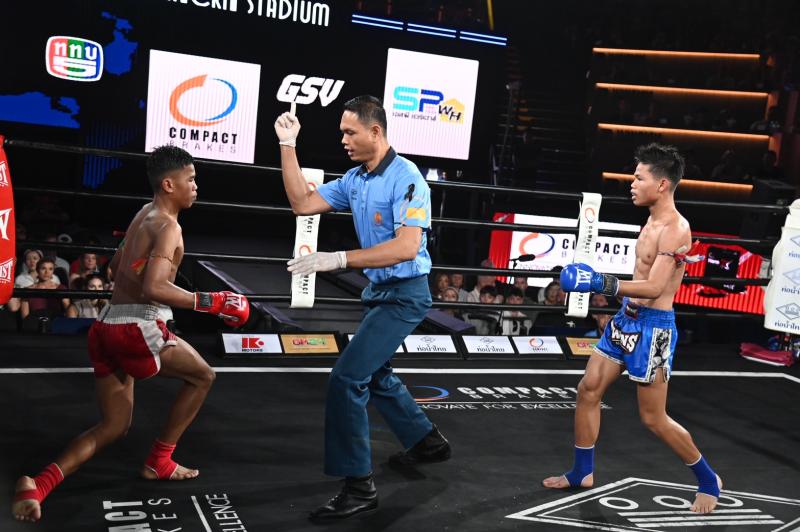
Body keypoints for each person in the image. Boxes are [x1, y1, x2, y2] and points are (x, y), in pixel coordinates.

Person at [11, 146, 250, 523]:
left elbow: (115, 267)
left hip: (105, 325)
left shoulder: (143, 214)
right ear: (169, 184)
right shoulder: (169, 227)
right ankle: (159, 461)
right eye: (190, 179)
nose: (195, 186)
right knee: (203, 376)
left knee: (114, 426)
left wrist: (149, 274)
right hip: (136, 327)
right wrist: (212, 301)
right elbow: (155, 287)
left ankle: (38, 485)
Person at [274, 95, 450, 521]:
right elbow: (302, 203)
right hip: (380, 293)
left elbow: (406, 247)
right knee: (374, 372)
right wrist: (287, 144)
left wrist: (338, 259)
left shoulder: (407, 178)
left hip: (406, 295)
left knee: (347, 378)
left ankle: (358, 487)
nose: (343, 140)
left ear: (375, 131)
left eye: (350, 132)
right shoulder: (355, 179)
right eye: (342, 133)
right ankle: (426, 441)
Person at [542, 143, 721, 514]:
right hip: (626, 319)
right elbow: (640, 278)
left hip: (654, 330)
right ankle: (582, 472)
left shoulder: (676, 230)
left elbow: (655, 287)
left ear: (662, 184)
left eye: (639, 178)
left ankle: (708, 480)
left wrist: (599, 282)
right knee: (588, 389)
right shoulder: (650, 221)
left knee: (653, 418)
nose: (632, 184)